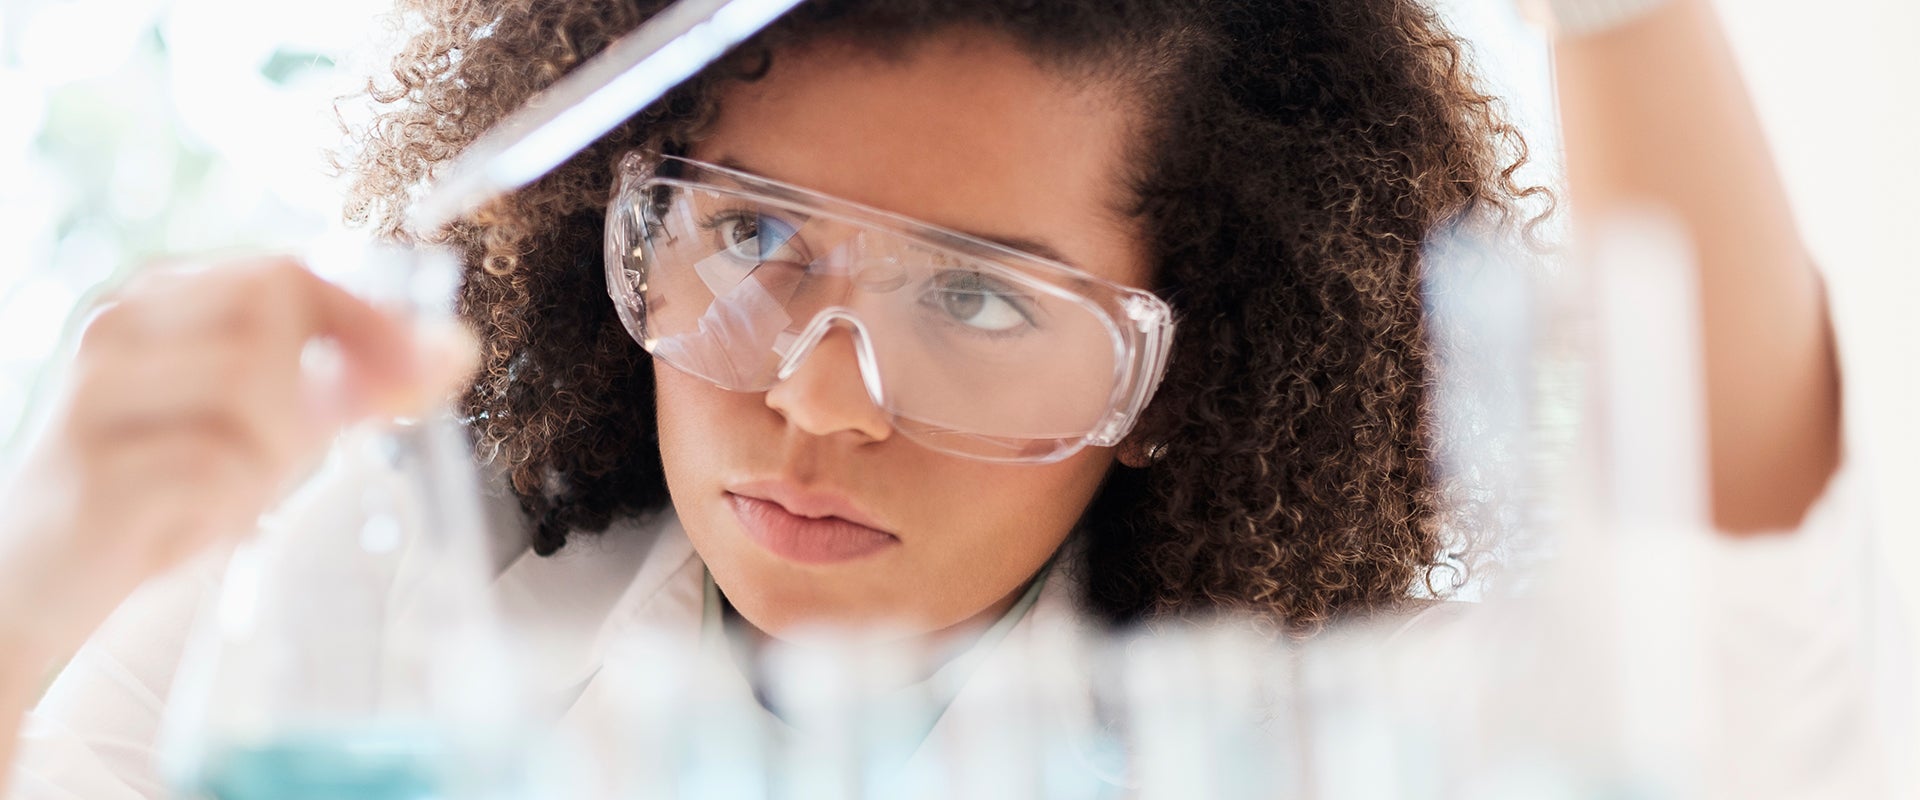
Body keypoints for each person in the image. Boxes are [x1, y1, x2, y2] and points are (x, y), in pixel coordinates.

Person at [0, 0, 1889, 795]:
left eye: (980, 294)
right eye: (748, 242)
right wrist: (41, 566)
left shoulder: (1324, 744)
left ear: (1184, 365)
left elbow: (1733, 638)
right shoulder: (343, 607)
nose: (820, 405)